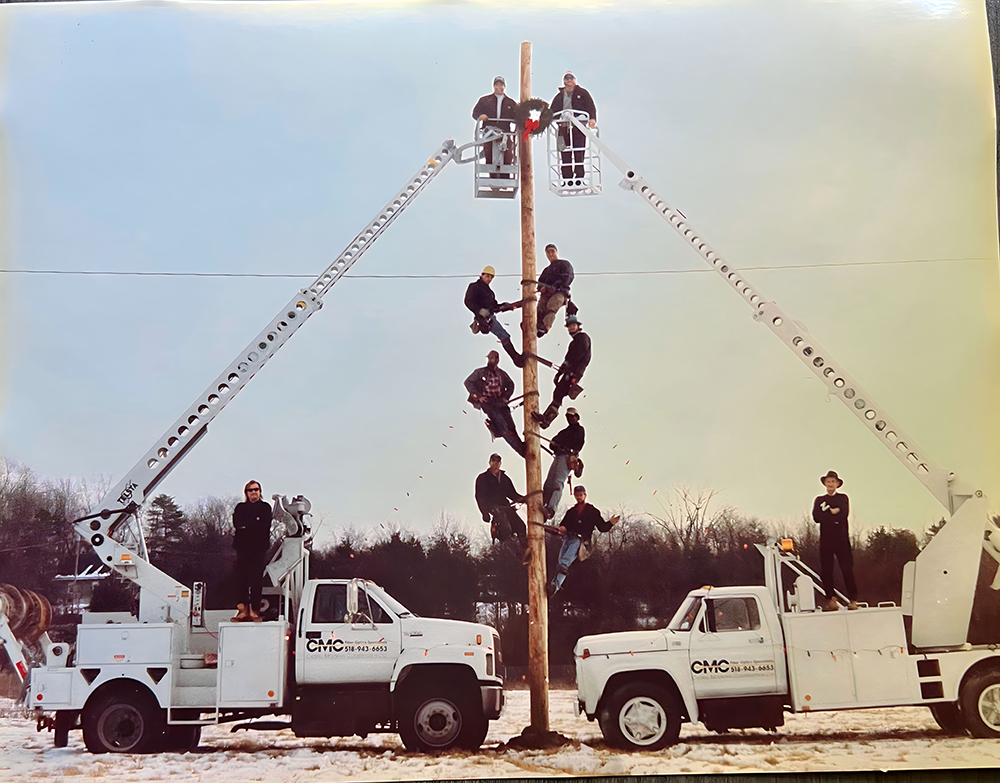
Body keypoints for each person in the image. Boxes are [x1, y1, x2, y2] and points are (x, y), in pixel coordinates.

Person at [547, 485, 619, 596]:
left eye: (580, 495)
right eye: (576, 495)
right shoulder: (571, 512)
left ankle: (555, 585)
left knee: (565, 561)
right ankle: (554, 587)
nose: (578, 497)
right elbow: (564, 525)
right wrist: (562, 529)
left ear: (585, 495)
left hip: (581, 540)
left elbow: (602, 527)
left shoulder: (592, 511)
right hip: (568, 539)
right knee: (561, 563)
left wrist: (611, 523)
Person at [812, 470, 859, 611]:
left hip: (841, 539)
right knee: (826, 570)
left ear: (837, 484)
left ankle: (853, 599)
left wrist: (831, 513)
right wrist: (830, 512)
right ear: (825, 483)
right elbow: (816, 517)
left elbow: (843, 514)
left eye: (833, 482)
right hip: (826, 539)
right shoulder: (819, 500)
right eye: (828, 481)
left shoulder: (843, 498)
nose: (831, 484)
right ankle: (830, 599)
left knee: (847, 569)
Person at [533, 313, 591, 428]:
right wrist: (560, 372)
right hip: (570, 371)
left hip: (574, 372)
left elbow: (579, 354)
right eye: (569, 326)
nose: (571, 328)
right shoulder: (574, 342)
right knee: (558, 393)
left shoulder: (583, 337)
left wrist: (569, 368)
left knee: (559, 394)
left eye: (573, 325)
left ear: (578, 326)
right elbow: (568, 358)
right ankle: (546, 419)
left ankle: (546, 420)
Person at [465, 350, 525, 457]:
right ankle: (522, 451)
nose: (490, 360)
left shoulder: (502, 374)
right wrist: (479, 396)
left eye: (493, 358)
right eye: (489, 358)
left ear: (497, 359)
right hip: (488, 403)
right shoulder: (481, 372)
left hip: (499, 402)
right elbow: (468, 382)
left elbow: (511, 385)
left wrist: (505, 397)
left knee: (511, 426)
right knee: (503, 427)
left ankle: (522, 446)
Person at [464, 265, 524, 367]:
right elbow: (468, 301)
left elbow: (494, 307)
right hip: (483, 318)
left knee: (504, 335)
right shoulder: (474, 286)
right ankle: (516, 359)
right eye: (487, 276)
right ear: (482, 275)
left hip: (490, 316)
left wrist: (508, 306)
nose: (489, 279)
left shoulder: (490, 293)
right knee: (503, 335)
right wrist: (479, 310)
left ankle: (516, 358)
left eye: (491, 277)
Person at [232, 480, 272, 622]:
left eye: (256, 489)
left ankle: (255, 610)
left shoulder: (265, 507)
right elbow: (237, 523)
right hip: (243, 547)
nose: (253, 492)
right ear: (246, 492)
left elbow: (264, 526)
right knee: (241, 577)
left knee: (256, 580)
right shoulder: (240, 507)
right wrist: (254, 522)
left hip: (258, 548)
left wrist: (248, 526)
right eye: (250, 490)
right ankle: (242, 609)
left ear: (260, 492)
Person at [550, 71, 597, 184]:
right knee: (564, 152)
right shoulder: (559, 96)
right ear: (564, 81)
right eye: (567, 78)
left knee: (579, 151)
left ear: (575, 81)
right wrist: (544, 122)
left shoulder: (583, 93)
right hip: (563, 127)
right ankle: (567, 179)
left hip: (578, 126)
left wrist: (592, 119)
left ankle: (579, 177)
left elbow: (590, 106)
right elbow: (551, 111)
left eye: (571, 78)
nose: (569, 80)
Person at [475, 453, 527, 550]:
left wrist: (524, 499)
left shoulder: (504, 478)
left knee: (521, 526)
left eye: (498, 461)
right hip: (493, 507)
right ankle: (508, 551)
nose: (496, 463)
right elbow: (480, 497)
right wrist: (485, 513)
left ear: (500, 463)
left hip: (506, 506)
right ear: (490, 462)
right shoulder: (483, 478)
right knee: (505, 528)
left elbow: (512, 493)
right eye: (494, 461)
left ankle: (526, 552)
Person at [542, 408, 585, 519]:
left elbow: (577, 444)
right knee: (549, 483)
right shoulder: (565, 431)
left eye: (572, 416)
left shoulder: (579, 430)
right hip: (559, 456)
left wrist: (563, 445)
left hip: (567, 457)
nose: (569, 419)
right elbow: (553, 442)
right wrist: (556, 445)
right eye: (568, 417)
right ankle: (543, 505)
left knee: (557, 483)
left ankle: (551, 509)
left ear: (577, 417)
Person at [472, 76, 518, 176]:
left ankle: (505, 177)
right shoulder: (485, 100)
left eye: (501, 85)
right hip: (489, 132)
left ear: (504, 86)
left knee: (508, 152)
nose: (499, 87)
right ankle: (492, 176)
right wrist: (480, 116)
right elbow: (475, 112)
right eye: (497, 85)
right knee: (489, 153)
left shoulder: (510, 103)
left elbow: (517, 116)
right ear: (493, 86)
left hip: (504, 132)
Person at [536, 244, 574, 338]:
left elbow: (568, 277)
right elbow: (539, 284)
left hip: (560, 292)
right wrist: (542, 289)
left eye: (552, 251)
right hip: (546, 295)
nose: (550, 254)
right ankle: (535, 327)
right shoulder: (546, 271)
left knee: (551, 306)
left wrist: (556, 287)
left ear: (556, 252)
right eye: (548, 252)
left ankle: (546, 326)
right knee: (539, 310)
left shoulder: (564, 264)